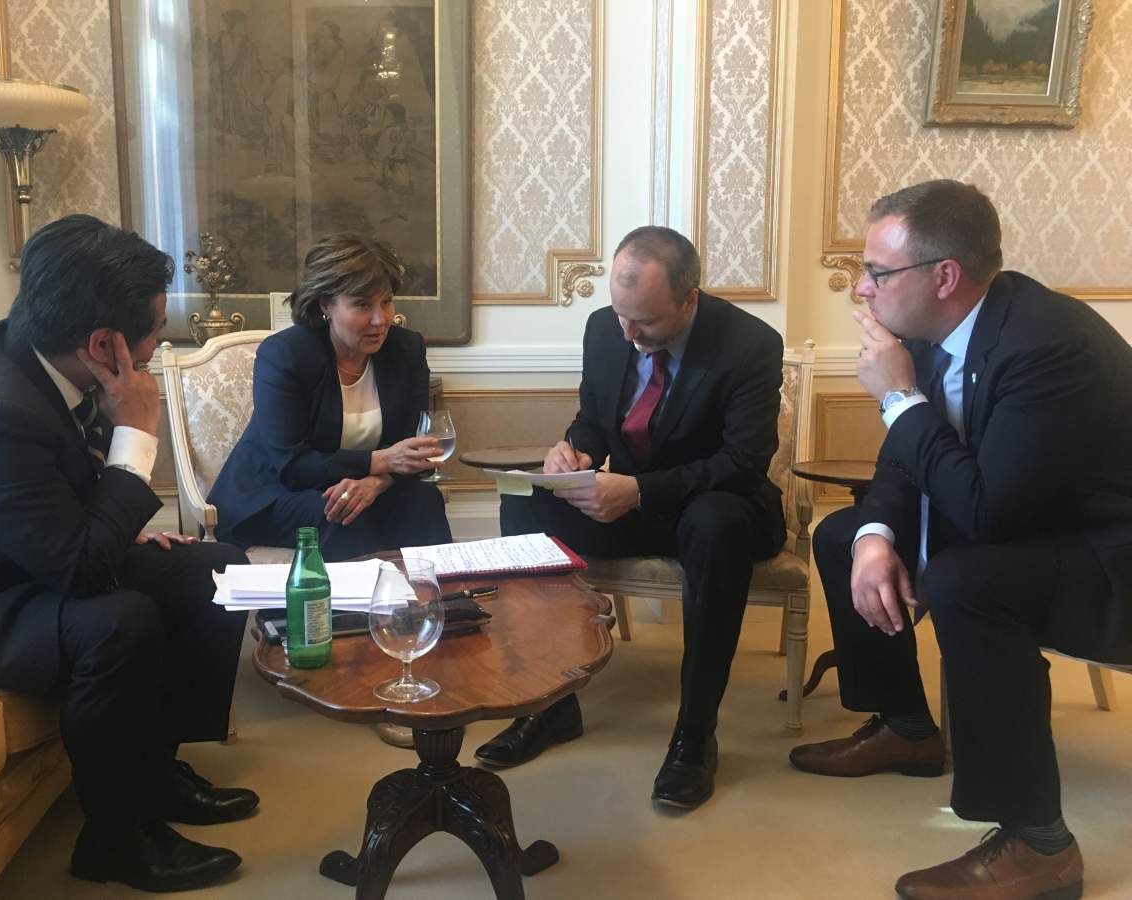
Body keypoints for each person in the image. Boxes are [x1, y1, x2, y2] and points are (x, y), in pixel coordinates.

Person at [788, 180, 1132, 899]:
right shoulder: (932, 330)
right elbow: (903, 461)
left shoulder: (1048, 347)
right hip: (1038, 518)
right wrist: (877, 534)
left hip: (1111, 554)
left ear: (943, 276)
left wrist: (896, 398)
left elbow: (987, 514)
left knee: (966, 582)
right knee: (845, 533)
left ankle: (1039, 844)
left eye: (878, 272)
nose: (862, 288)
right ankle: (909, 728)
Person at [0, 215, 256, 892]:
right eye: (153, 334)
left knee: (212, 567)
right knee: (119, 619)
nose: (155, 346)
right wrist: (137, 433)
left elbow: (54, 501)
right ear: (104, 345)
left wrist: (119, 525)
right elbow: (79, 570)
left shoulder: (36, 354)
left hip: (27, 558)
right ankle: (113, 839)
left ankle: (155, 775)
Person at [479, 226, 786, 809]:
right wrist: (572, 451)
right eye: (620, 315)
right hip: (633, 496)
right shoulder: (606, 327)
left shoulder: (750, 344)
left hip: (719, 502)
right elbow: (594, 418)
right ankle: (550, 704)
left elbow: (743, 462)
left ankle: (695, 734)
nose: (627, 331)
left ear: (688, 299)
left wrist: (640, 490)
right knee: (523, 498)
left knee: (716, 523)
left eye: (644, 321)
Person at [209, 233, 451, 561]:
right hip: (274, 493)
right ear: (325, 305)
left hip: (360, 486)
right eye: (363, 305)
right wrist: (380, 462)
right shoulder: (285, 355)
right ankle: (344, 611)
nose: (381, 319)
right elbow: (292, 465)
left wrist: (376, 482)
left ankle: (443, 601)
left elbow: (414, 449)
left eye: (386, 301)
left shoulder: (406, 349)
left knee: (423, 500)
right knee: (340, 511)